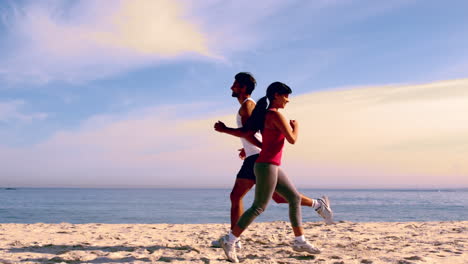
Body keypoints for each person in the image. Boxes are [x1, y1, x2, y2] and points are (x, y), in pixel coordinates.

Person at [216, 81, 333, 263]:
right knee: (259, 207)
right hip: (266, 165)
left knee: (292, 198)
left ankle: (300, 240)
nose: (288, 100)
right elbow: (292, 139)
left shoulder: (265, 115)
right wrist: (296, 126)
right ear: (276, 95)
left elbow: (251, 134)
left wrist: (244, 147)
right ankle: (230, 240)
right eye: (286, 96)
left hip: (270, 164)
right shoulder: (276, 116)